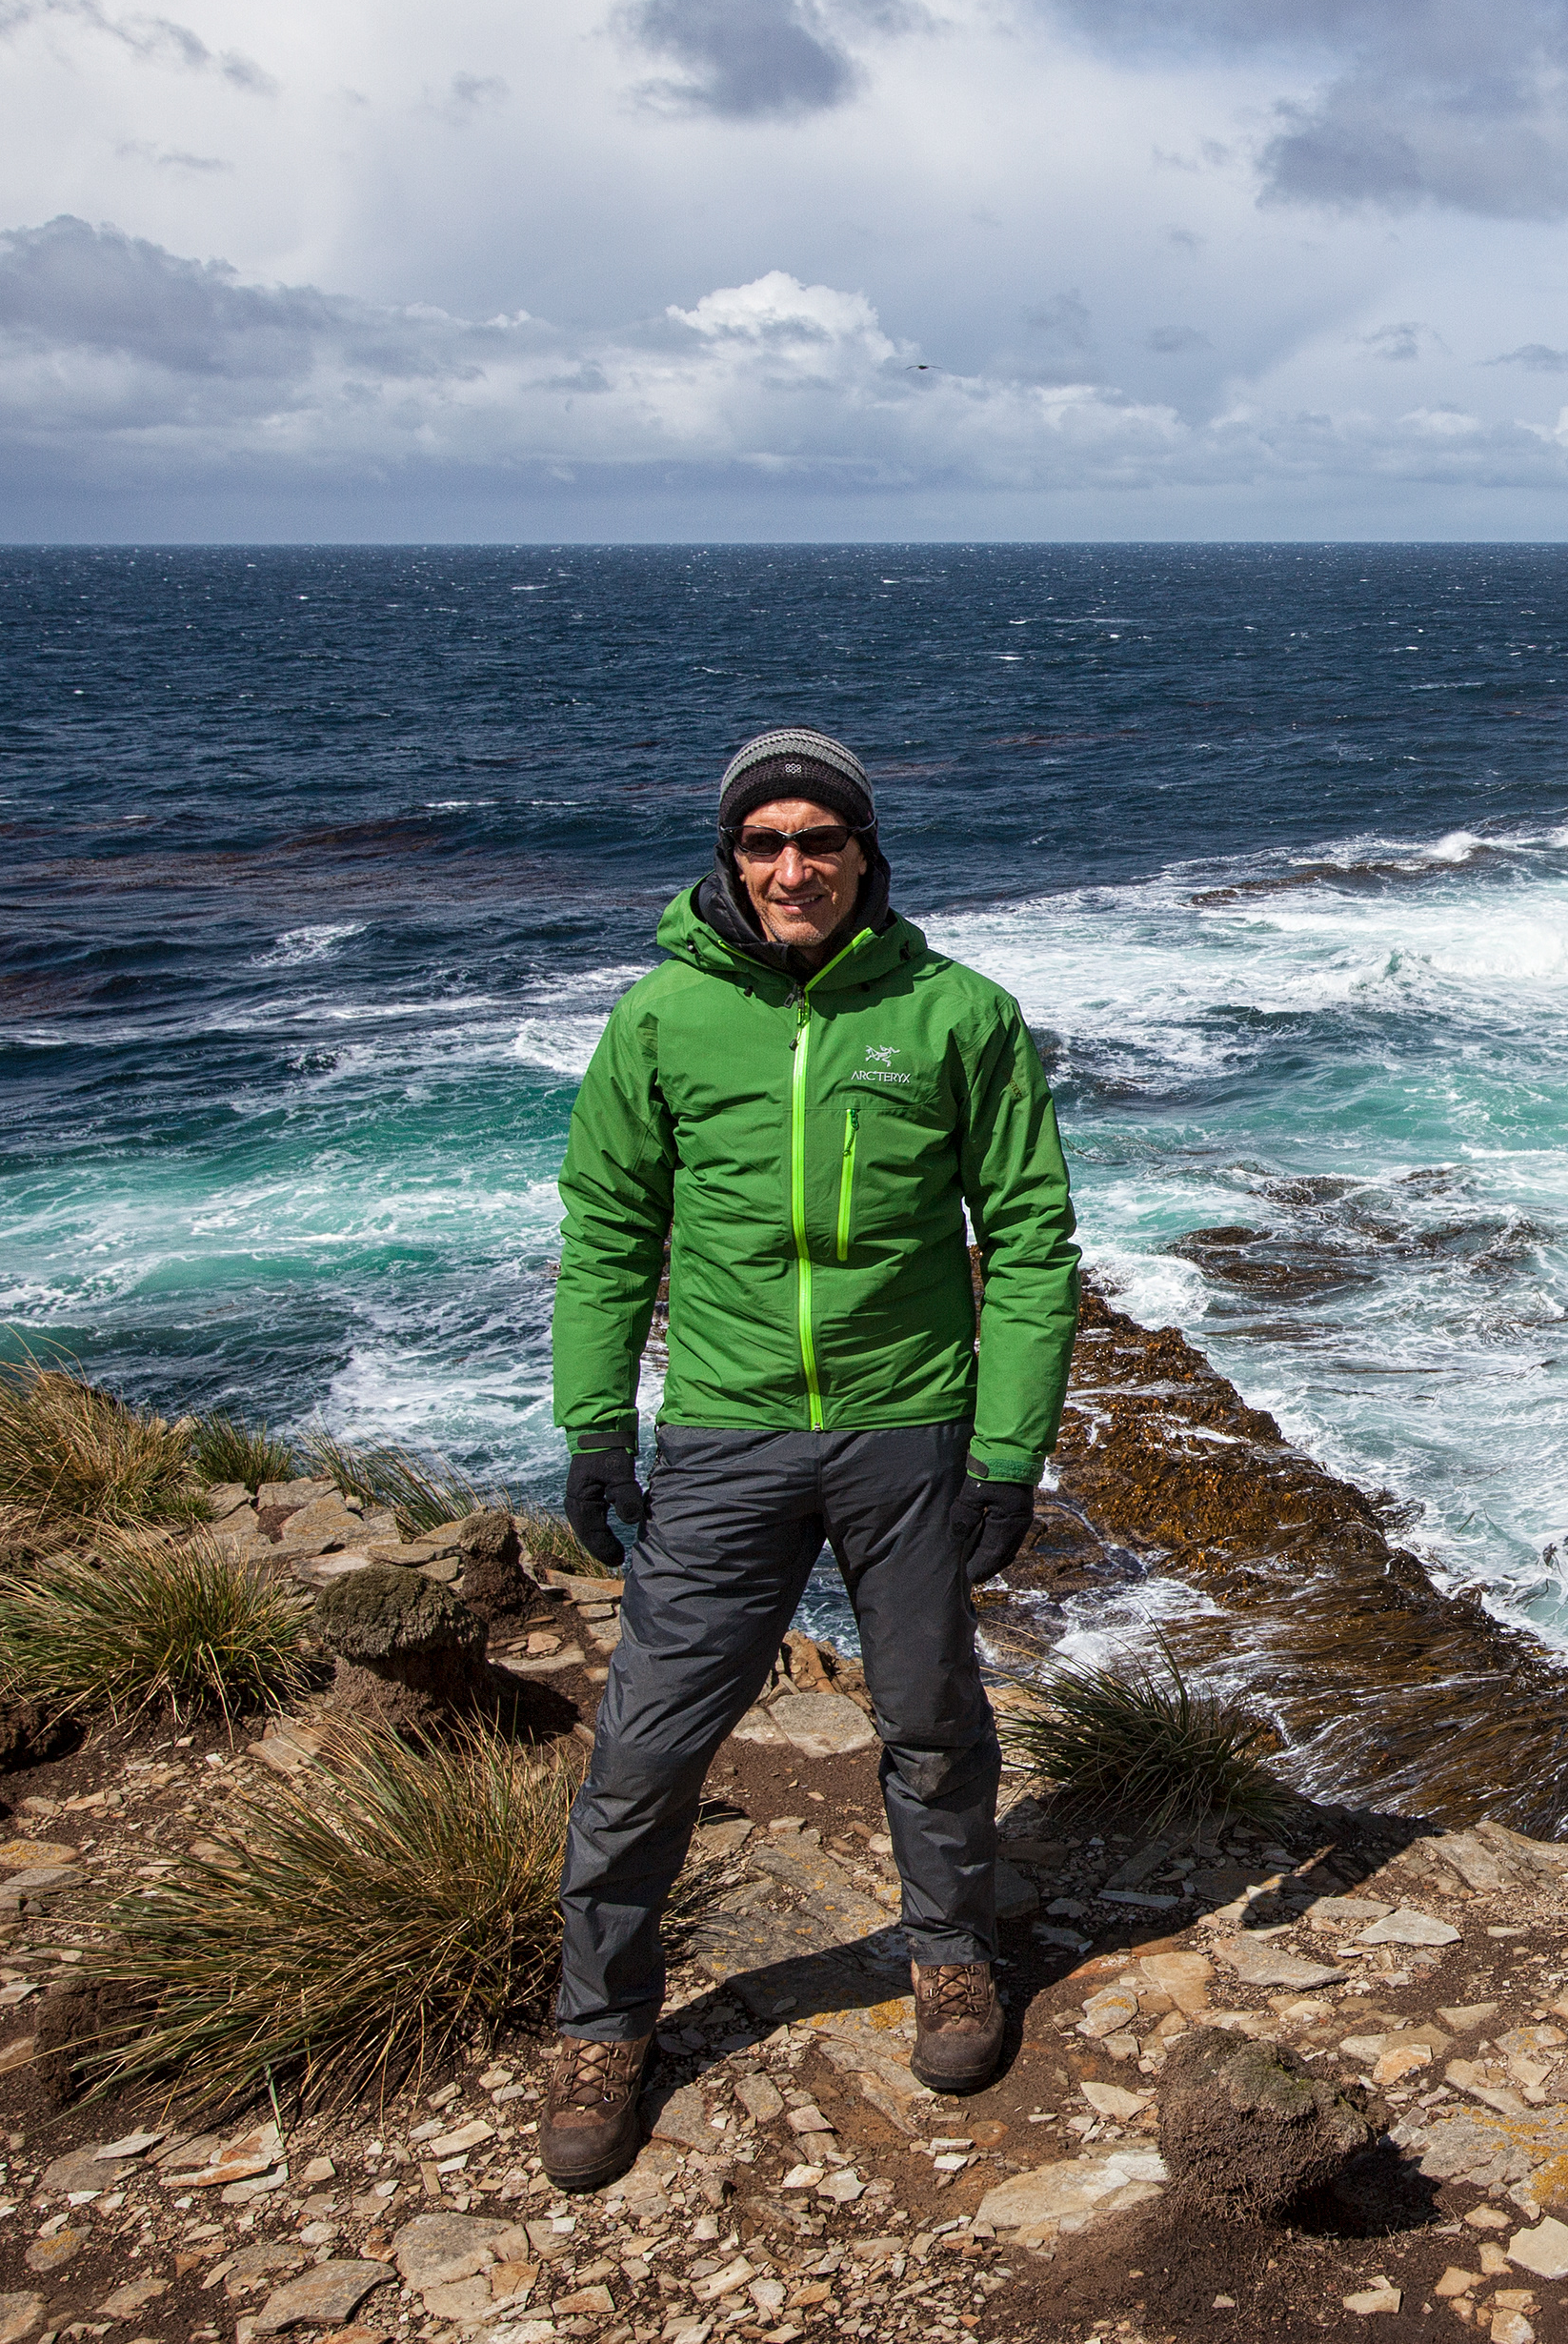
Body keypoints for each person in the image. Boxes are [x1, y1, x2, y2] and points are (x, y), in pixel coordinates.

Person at [536, 726, 1077, 2192]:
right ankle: (601, 2023)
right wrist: (595, 1424)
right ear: (731, 859)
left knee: (931, 1718)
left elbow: (1028, 1239)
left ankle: (951, 1957)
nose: (793, 867)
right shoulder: (660, 1020)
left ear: (863, 856)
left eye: (819, 841)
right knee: (647, 1745)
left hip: (909, 1431)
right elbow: (607, 1235)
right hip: (723, 1431)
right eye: (765, 843)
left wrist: (1007, 1448)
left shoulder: (958, 1014)